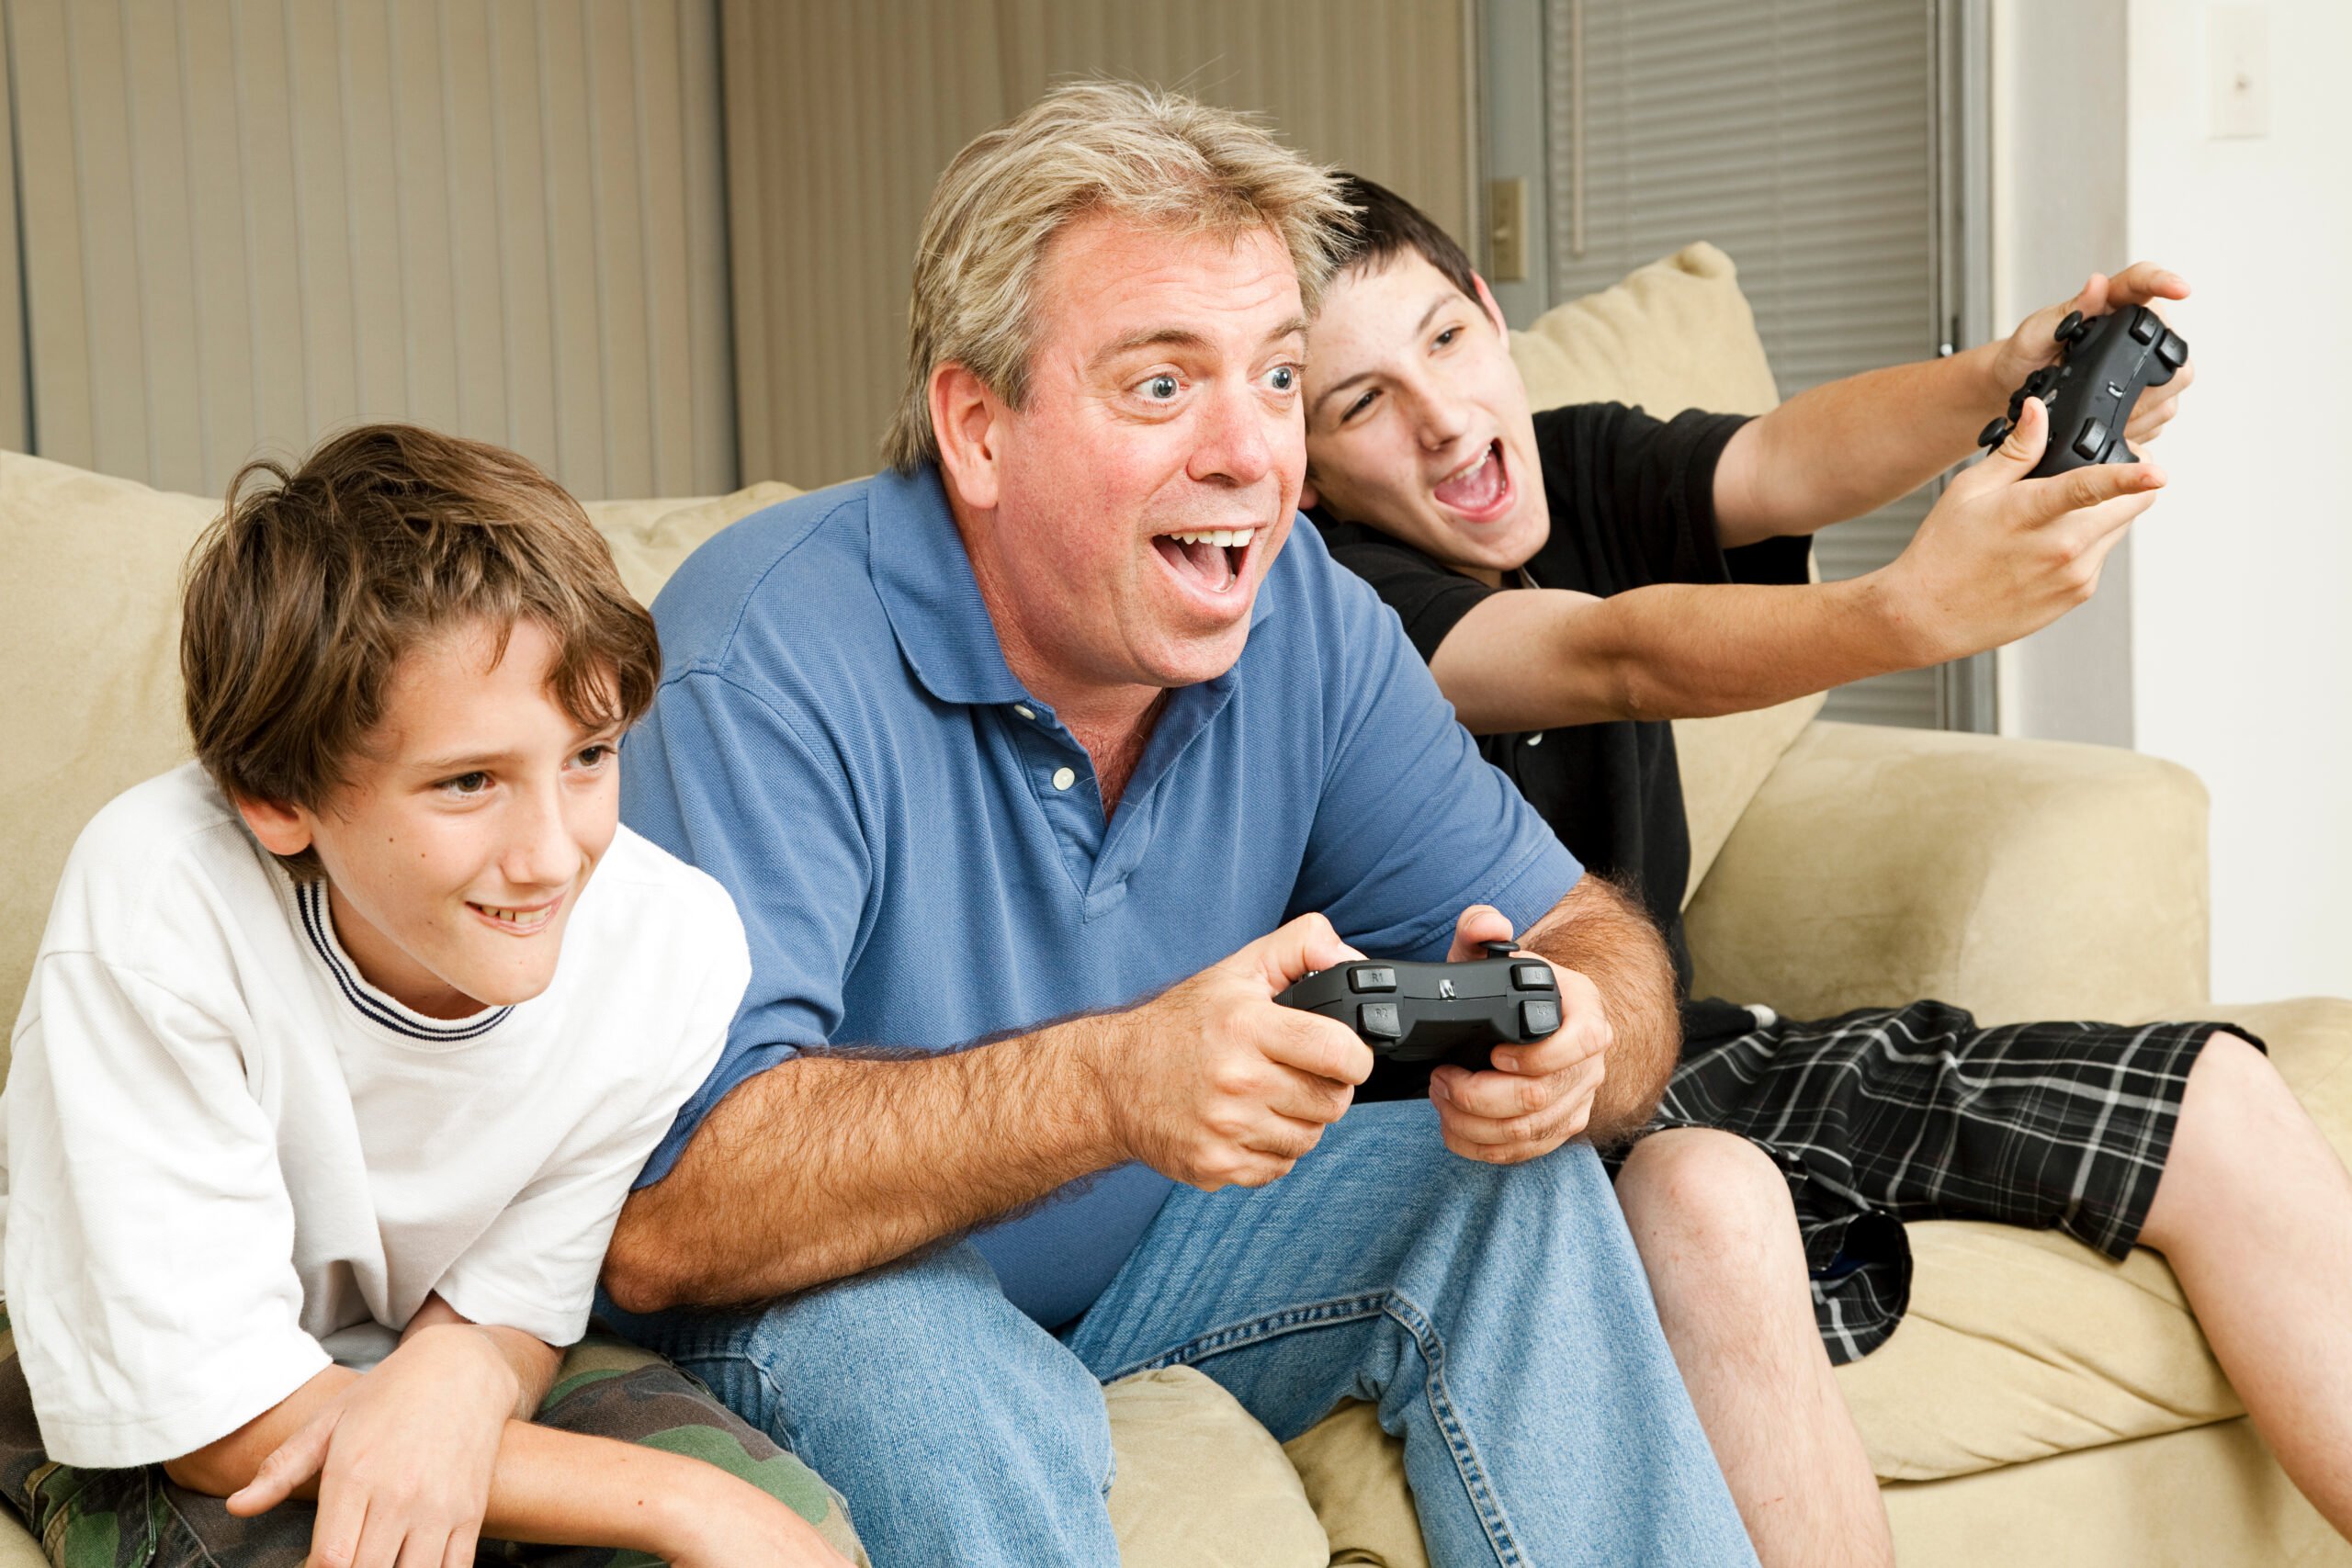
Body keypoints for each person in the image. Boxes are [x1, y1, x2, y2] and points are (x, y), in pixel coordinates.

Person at [597, 83, 1758, 1567]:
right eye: (1162, 386)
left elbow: (1585, 935)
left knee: (1503, 1180)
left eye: (1275, 379)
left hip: (1159, 1256)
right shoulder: (762, 656)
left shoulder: (1305, 623)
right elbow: (668, 1214)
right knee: (916, 1358)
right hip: (818, 1299)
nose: (1250, 456)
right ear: (979, 428)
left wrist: (1583, 1036)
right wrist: (1116, 1085)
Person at [1301, 175, 2352, 1566]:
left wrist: (2008, 374)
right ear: (1303, 462)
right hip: (1494, 1121)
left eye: (1444, 340)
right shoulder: (1335, 603)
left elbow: (1792, 457)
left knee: (2216, 1094)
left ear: (1495, 318)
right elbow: (1616, 650)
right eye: (1359, 401)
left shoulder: (1568, 463)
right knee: (1710, 1197)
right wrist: (1906, 612)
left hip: (1692, 1044)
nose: (1438, 414)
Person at [0, 425, 861, 1568]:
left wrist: (458, 1369)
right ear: (275, 792)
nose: (553, 856)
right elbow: (214, 1421)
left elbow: (518, 1304)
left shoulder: (675, 948)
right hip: (167, 1388)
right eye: (469, 782)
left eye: (590, 755)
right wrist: (695, 1508)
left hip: (427, 1343)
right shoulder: (160, 904)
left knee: (794, 1534)